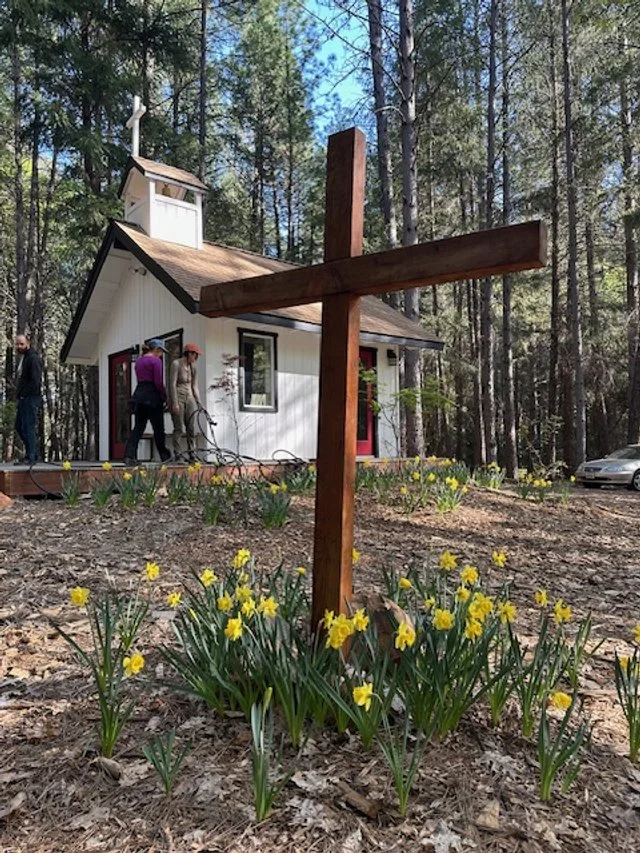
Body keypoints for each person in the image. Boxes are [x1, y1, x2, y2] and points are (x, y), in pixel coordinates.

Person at [123, 339, 172, 465]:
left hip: (139, 396)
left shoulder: (139, 361)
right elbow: (158, 382)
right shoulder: (156, 361)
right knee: (158, 428)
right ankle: (164, 456)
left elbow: (140, 379)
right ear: (156, 349)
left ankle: (129, 455)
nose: (161, 354)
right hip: (153, 397)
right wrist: (164, 396)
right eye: (161, 351)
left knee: (138, 428)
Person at [169, 342, 202, 461]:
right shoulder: (176, 364)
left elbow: (195, 386)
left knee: (191, 427)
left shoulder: (194, 368)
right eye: (195, 355)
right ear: (189, 353)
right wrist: (174, 402)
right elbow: (172, 384)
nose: (196, 358)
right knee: (179, 428)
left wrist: (199, 402)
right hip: (178, 395)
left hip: (190, 397)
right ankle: (178, 454)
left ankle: (192, 453)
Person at [14, 334, 43, 466]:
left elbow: (36, 381)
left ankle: (31, 457)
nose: (19, 346)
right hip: (23, 398)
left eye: (21, 344)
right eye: (17, 344)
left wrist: (25, 393)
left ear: (28, 343)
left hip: (31, 398)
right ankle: (32, 453)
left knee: (28, 426)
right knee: (19, 427)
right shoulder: (25, 358)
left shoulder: (33, 358)